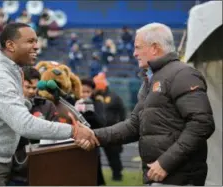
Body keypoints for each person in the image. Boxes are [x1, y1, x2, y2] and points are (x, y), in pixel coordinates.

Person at [0, 23, 98, 186]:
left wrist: (39, 102)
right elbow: (24, 125)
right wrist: (74, 131)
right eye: (30, 41)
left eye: (36, 41)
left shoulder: (13, 69)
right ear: (10, 45)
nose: (37, 47)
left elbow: (11, 108)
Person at [76, 23, 215, 186]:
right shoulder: (150, 80)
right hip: (157, 176)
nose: (134, 53)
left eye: (138, 47)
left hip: (179, 178)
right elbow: (134, 126)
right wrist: (95, 135)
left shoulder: (183, 74)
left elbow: (202, 123)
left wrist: (165, 163)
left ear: (154, 48)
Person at [8, 66, 59, 185]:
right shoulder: (9, 105)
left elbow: (56, 134)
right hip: (13, 172)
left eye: (34, 88)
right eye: (27, 87)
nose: (31, 91)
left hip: (41, 171)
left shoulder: (48, 106)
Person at [93, 72, 126, 181]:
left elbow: (122, 112)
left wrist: (121, 126)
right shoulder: (93, 97)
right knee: (95, 156)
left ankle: (117, 176)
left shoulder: (114, 97)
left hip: (111, 131)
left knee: (113, 155)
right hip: (96, 131)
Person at [75, 78, 106, 185]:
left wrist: (89, 112)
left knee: (93, 171)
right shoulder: (72, 102)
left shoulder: (97, 103)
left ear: (92, 92)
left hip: (92, 142)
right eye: (82, 91)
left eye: (87, 92)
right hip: (74, 143)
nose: (85, 94)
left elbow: (102, 123)